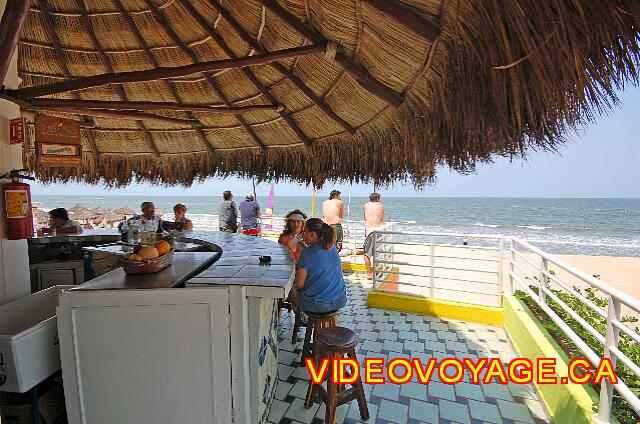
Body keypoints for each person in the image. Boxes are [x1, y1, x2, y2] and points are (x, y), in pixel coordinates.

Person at [294, 218, 347, 314]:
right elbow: (318, 258)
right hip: (340, 300)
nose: (302, 235)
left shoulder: (306, 254)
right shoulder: (332, 247)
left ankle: (302, 318)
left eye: (305, 232)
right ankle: (330, 326)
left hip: (318, 305)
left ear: (313, 235)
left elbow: (299, 284)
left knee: (295, 291)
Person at [363, 192, 384, 279]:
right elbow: (382, 219)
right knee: (377, 252)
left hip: (368, 230)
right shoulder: (380, 206)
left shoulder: (366, 205)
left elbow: (365, 218)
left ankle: (369, 273)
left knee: (367, 253)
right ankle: (377, 272)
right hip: (377, 230)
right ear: (378, 199)